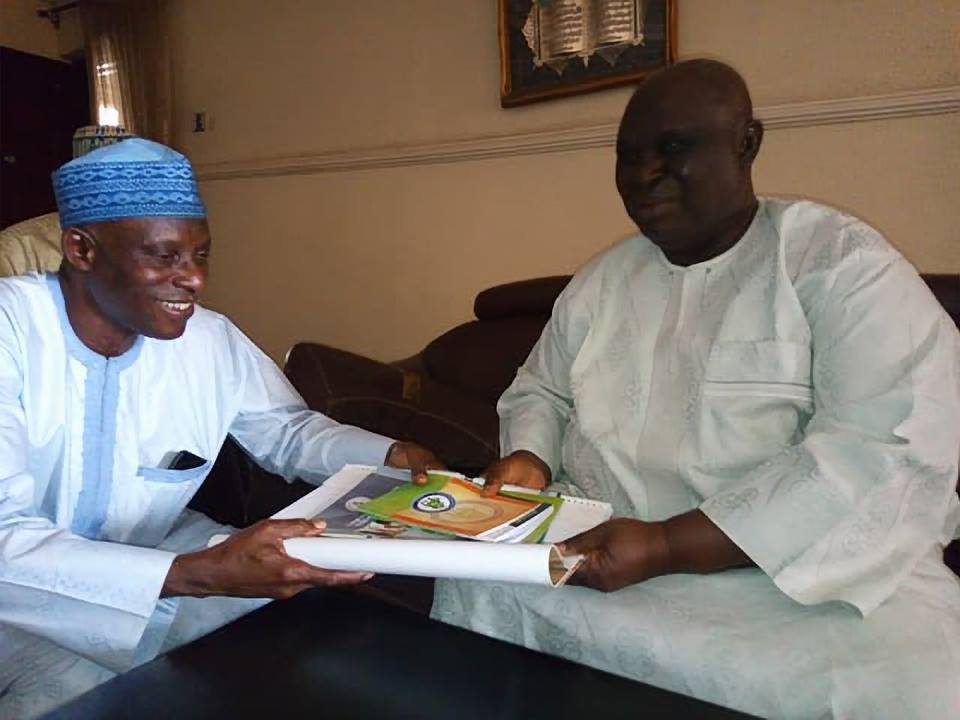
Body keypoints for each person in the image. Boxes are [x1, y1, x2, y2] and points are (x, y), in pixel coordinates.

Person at [432, 59, 960, 719]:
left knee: (910, 684)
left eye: (674, 148)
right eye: (628, 156)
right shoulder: (603, 280)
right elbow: (542, 389)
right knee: (470, 585)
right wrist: (530, 459)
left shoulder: (842, 265)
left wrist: (667, 545)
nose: (645, 174)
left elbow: (883, 446)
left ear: (747, 143)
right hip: (601, 555)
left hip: (799, 585)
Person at [0, 138, 444, 719]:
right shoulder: (11, 331)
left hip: (161, 552)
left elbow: (286, 431)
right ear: (81, 249)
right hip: (18, 606)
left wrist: (393, 456)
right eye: (164, 256)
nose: (193, 280)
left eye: (201, 255)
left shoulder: (208, 339)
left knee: (315, 640)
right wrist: (198, 574)